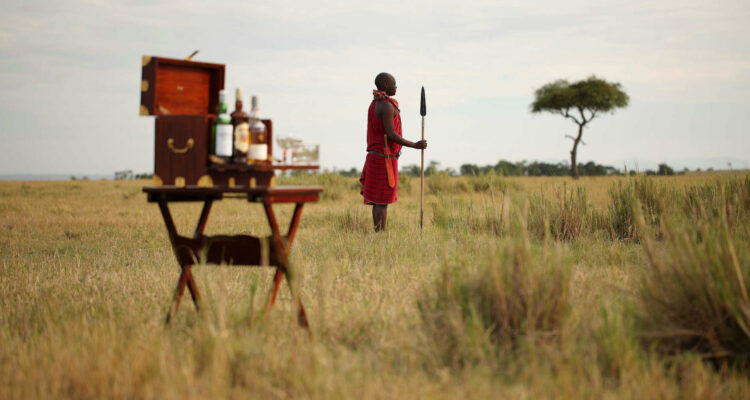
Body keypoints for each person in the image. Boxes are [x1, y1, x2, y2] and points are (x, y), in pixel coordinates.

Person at [360, 72, 427, 232]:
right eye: (393, 83)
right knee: (381, 201)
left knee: (378, 201)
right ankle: (381, 237)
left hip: (378, 157)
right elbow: (391, 134)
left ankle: (378, 235)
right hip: (384, 159)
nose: (396, 86)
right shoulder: (385, 105)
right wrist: (415, 145)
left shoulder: (377, 103)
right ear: (384, 85)